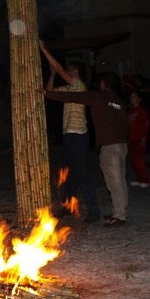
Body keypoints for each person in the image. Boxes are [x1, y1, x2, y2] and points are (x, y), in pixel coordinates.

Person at [41, 71, 129, 227]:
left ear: (105, 84)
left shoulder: (99, 97)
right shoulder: (119, 102)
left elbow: (74, 97)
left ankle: (120, 215)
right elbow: (125, 124)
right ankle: (119, 211)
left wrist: (48, 93)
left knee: (114, 181)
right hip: (120, 145)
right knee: (118, 180)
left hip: (110, 147)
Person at [39, 41, 101, 223]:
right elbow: (49, 92)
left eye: (71, 70)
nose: (69, 72)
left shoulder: (79, 85)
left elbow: (60, 71)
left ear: (77, 73)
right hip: (68, 134)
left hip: (79, 135)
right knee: (68, 172)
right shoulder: (69, 89)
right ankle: (68, 207)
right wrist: (51, 74)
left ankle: (94, 211)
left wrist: (44, 49)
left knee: (82, 173)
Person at [127, 89, 150, 188]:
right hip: (130, 138)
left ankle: (145, 179)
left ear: (139, 99)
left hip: (139, 138)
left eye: (135, 97)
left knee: (139, 160)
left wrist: (144, 138)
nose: (132, 99)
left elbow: (146, 126)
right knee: (132, 160)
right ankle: (138, 178)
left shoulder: (142, 111)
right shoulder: (130, 110)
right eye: (131, 97)